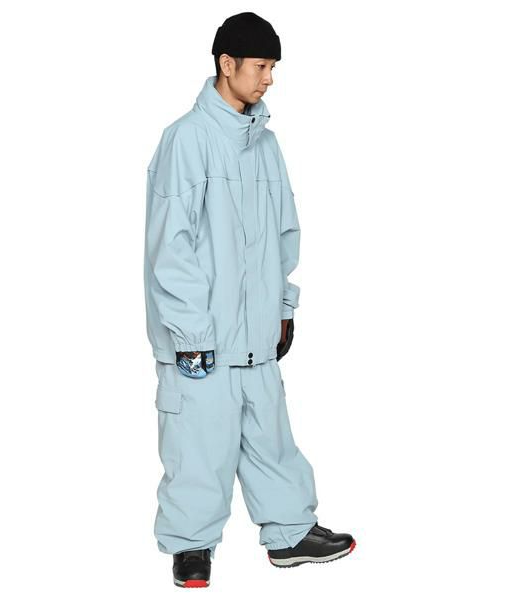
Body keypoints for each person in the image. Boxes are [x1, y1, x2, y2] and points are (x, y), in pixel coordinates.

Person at [144, 11, 356, 588]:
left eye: (273, 68)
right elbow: (171, 250)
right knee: (199, 444)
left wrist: (283, 307)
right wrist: (191, 336)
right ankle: (191, 547)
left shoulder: (265, 145)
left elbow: (285, 232)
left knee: (270, 438)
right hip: (201, 339)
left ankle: (290, 533)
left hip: (255, 334)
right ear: (226, 63)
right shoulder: (186, 140)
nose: (269, 79)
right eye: (261, 66)